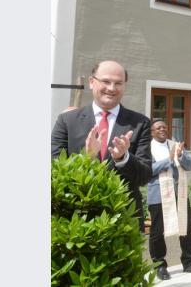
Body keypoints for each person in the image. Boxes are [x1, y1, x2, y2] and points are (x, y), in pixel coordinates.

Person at [51, 60, 152, 232]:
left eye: (118, 83)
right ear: (92, 82)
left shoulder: (139, 123)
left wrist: (123, 158)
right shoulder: (67, 121)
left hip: (124, 220)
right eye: (106, 81)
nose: (111, 88)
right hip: (76, 220)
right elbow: (54, 170)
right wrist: (87, 157)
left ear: (124, 86)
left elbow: (144, 177)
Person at [146, 119, 191, 280]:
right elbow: (147, 170)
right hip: (158, 194)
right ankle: (159, 266)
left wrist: (179, 155)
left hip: (179, 192)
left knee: (186, 229)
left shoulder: (175, 144)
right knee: (157, 233)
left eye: (165, 127)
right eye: (158, 128)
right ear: (152, 132)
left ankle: (189, 263)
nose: (163, 130)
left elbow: (189, 165)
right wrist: (169, 159)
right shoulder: (146, 148)